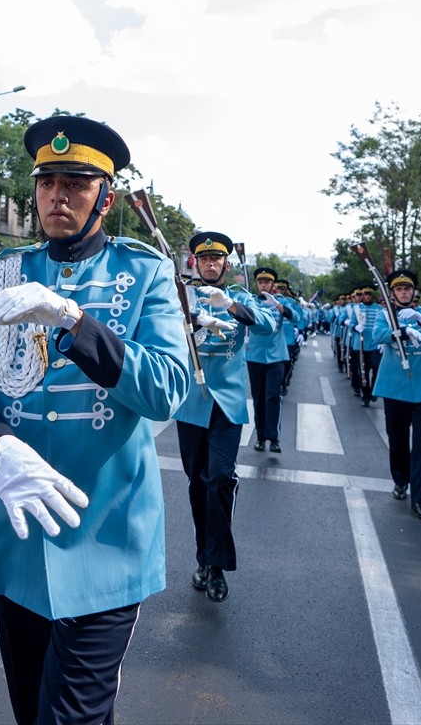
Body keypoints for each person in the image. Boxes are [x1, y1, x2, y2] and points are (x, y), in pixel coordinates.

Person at [0, 115, 190, 725]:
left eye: (76, 183)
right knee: (31, 711)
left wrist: (75, 323)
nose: (58, 195)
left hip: (106, 538)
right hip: (16, 533)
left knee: (71, 718)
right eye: (48, 182)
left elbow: (166, 390)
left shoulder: (147, 272)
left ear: (105, 195)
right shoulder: (3, 271)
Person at [176, 231, 276, 603]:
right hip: (191, 402)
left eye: (216, 260)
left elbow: (268, 323)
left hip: (228, 405)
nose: (210, 265)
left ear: (226, 265)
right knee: (197, 483)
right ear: (196, 263)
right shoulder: (181, 296)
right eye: (204, 260)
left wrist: (230, 307)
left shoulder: (241, 297)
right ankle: (203, 556)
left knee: (220, 478)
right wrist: (193, 319)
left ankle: (217, 566)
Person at [370, 269, 421, 521]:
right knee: (398, 440)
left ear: (414, 292)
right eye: (399, 289)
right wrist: (402, 332)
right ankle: (401, 480)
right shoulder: (385, 316)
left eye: (408, 288)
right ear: (392, 294)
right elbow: (377, 336)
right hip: (395, 388)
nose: (404, 292)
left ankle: (419, 498)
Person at [245, 266, 291, 453]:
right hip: (255, 356)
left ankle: (274, 438)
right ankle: (260, 436)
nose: (263, 284)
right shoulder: (251, 302)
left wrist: (278, 306)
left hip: (276, 356)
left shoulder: (281, 302)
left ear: (273, 284)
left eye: (267, 282)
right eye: (260, 281)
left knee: (273, 396)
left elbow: (295, 316)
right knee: (258, 398)